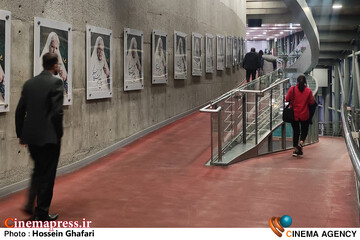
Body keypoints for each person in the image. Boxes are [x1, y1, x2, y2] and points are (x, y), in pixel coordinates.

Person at [15, 52, 64, 221]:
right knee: (48, 175)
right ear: (55, 65)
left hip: (32, 137)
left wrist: (21, 134)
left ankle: (30, 204)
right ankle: (42, 213)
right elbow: (57, 113)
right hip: (49, 137)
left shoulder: (29, 84)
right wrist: (59, 134)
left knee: (38, 170)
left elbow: (20, 111)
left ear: (43, 64)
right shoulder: (56, 82)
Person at [285, 75, 315, 157]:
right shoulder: (308, 91)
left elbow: (287, 99)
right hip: (304, 114)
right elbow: (312, 102)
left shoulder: (292, 89)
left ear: (297, 82)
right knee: (304, 130)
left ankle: (295, 149)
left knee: (296, 131)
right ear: (305, 82)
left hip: (294, 114)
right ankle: (301, 142)